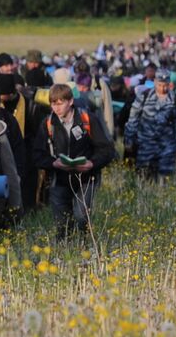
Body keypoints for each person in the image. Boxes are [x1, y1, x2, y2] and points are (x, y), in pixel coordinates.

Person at [34, 83, 115, 239]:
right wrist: (53, 163)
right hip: (59, 178)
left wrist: (92, 163)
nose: (56, 108)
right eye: (53, 104)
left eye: (60, 103)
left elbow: (107, 150)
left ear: (70, 101)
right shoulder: (48, 124)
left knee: (81, 217)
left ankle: (85, 245)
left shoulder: (87, 119)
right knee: (62, 223)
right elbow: (37, 154)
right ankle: (65, 253)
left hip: (86, 178)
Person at [126, 70, 176, 180]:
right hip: (146, 145)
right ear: (155, 82)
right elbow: (133, 119)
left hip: (167, 146)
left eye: (165, 85)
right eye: (160, 85)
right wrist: (129, 140)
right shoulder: (144, 97)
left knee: (165, 179)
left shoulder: (175, 100)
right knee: (144, 176)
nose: (163, 88)